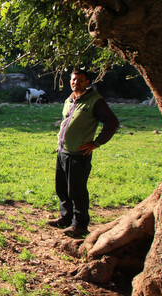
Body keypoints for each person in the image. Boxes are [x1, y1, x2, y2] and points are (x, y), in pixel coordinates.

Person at [49, 69, 120, 236]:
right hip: (63, 150)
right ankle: (66, 218)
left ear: (88, 82)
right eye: (74, 79)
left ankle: (80, 225)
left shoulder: (95, 101)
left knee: (77, 191)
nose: (76, 82)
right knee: (62, 189)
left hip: (79, 154)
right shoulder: (70, 99)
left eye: (80, 80)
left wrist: (96, 143)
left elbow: (112, 122)